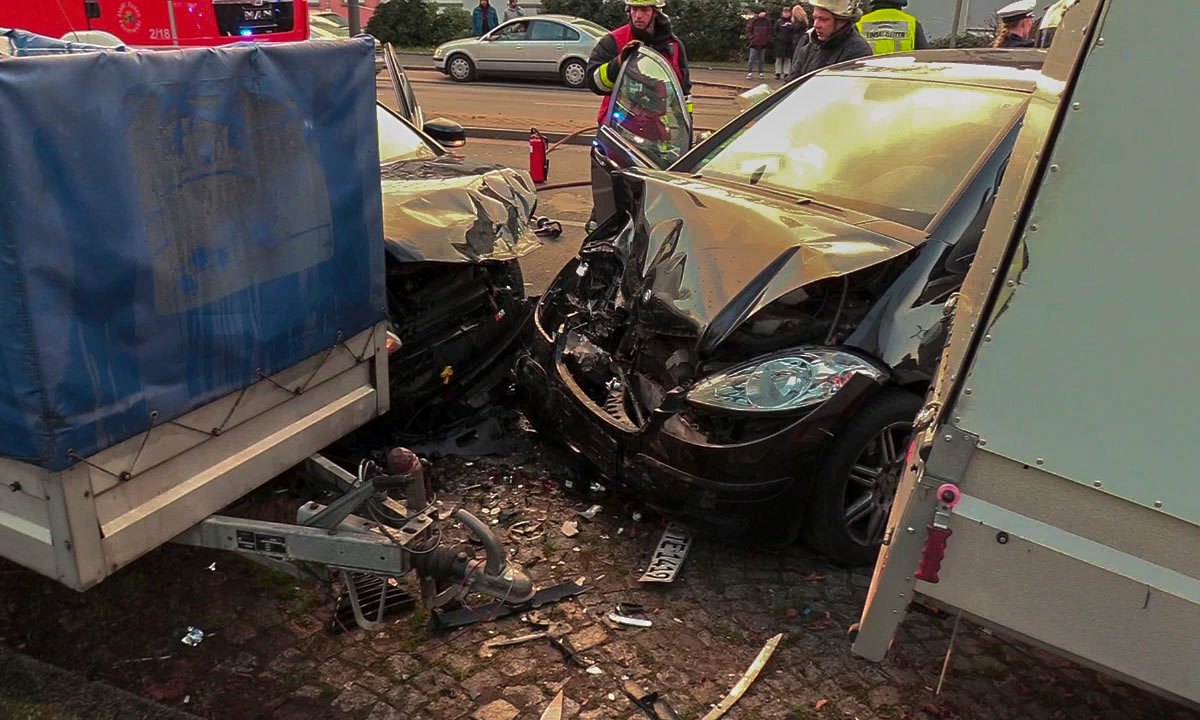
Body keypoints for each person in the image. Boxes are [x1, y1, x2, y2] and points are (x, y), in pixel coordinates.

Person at [585, 0, 692, 125]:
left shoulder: (674, 46)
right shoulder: (613, 41)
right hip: (618, 127)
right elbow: (594, 82)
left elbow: (684, 93)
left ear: (656, 12)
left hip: (660, 130)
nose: (638, 15)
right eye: (634, 9)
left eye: (645, 10)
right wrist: (618, 63)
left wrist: (686, 125)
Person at [785, 0, 871, 82]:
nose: (816, 25)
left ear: (842, 21)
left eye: (823, 19)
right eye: (815, 18)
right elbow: (790, 86)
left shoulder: (858, 51)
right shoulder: (809, 48)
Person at [856, 0, 928, 54]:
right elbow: (925, 56)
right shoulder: (912, 22)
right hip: (901, 72)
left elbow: (852, 57)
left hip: (867, 73)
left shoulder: (860, 23)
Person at [746, 8, 772, 79]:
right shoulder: (754, 21)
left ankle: (761, 72)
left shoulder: (767, 21)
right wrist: (752, 38)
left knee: (761, 59)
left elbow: (770, 31)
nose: (763, 14)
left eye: (764, 12)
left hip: (763, 43)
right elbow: (749, 30)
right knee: (752, 59)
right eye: (762, 12)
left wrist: (767, 40)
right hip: (754, 43)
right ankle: (749, 72)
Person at [771, 7, 795, 79]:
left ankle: (786, 73)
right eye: (785, 12)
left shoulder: (792, 22)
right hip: (779, 43)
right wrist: (777, 37)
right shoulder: (779, 22)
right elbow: (774, 31)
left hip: (788, 43)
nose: (786, 14)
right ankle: (777, 73)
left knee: (787, 59)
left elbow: (794, 31)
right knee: (779, 58)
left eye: (787, 12)